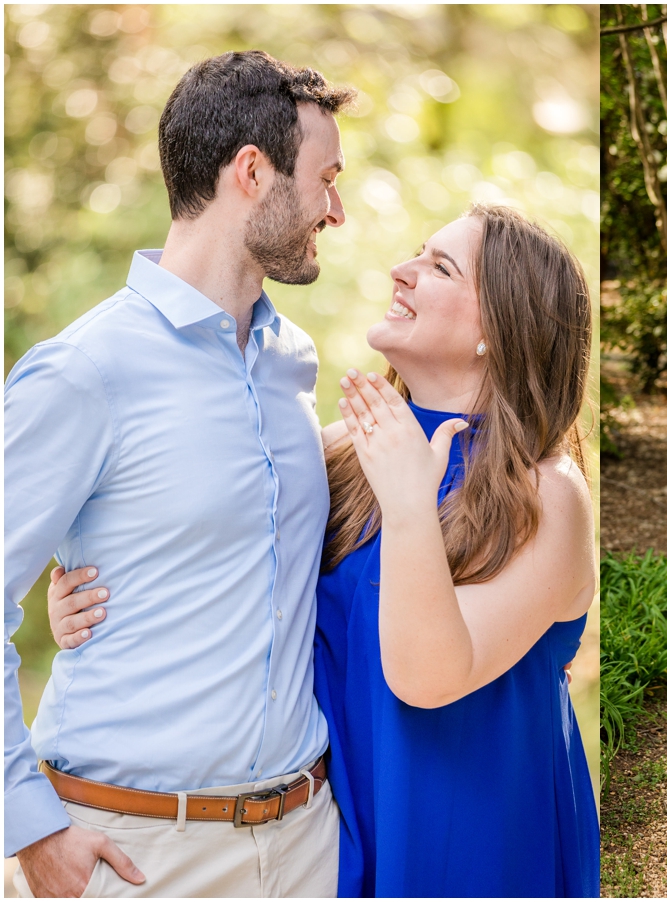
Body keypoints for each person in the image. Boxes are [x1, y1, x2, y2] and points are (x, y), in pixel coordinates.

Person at [50, 206, 602, 896]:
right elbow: (210, 552)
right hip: (329, 836)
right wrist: (78, 588)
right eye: (416, 253)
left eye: (439, 267)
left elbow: (430, 677)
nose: (402, 272)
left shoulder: (548, 496)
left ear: (498, 327)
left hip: (477, 840)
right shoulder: (342, 452)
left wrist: (408, 507)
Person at [5, 50, 354, 897]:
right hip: (135, 851)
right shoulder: (86, 371)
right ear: (251, 172)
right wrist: (28, 825)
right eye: (327, 178)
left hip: (305, 843)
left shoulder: (293, 363)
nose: (336, 210)